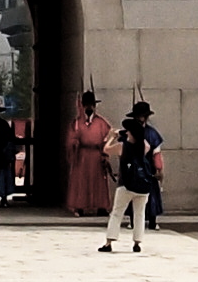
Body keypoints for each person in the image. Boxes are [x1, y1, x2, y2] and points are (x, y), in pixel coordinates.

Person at [100, 98, 160, 253]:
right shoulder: (144, 146)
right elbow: (147, 145)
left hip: (126, 184)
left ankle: (109, 242)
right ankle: (137, 242)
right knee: (139, 214)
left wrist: (112, 136)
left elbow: (106, 149)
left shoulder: (122, 147)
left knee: (117, 213)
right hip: (143, 184)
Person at [65, 88, 112, 219]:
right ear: (83, 106)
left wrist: (105, 154)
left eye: (92, 105)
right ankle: (80, 206)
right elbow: (70, 140)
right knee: (81, 181)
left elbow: (108, 139)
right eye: (87, 105)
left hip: (97, 155)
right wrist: (74, 143)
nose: (89, 107)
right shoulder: (76, 123)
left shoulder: (101, 123)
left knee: (99, 183)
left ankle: (101, 207)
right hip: (82, 155)